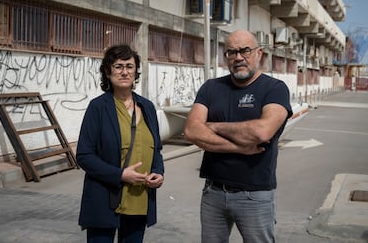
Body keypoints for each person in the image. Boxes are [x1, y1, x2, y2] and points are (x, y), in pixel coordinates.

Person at [184, 29, 292, 243]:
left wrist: (213, 127)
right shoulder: (211, 87)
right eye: (231, 52)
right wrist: (239, 147)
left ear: (259, 53)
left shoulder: (275, 89)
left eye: (245, 50)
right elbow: (191, 131)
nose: (238, 57)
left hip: (255, 195)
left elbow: (262, 132)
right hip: (213, 192)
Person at [76, 44, 164, 243]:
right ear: (108, 72)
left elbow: (156, 150)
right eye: (118, 66)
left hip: (139, 198)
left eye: (130, 66)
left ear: (136, 71)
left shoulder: (147, 107)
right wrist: (120, 175)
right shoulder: (98, 108)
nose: (125, 72)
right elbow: (84, 155)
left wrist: (158, 172)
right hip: (105, 199)